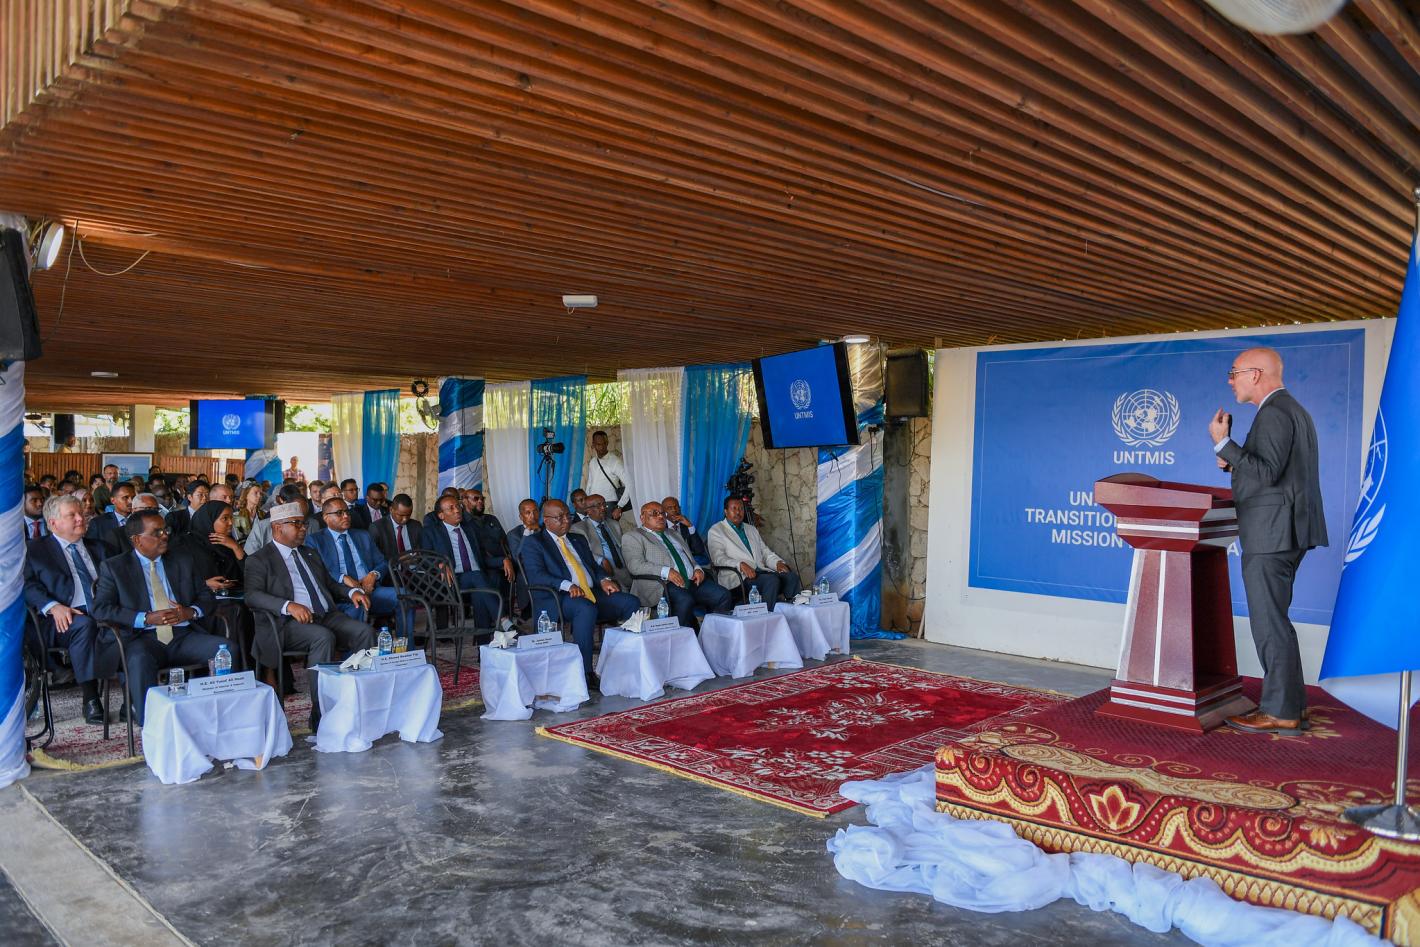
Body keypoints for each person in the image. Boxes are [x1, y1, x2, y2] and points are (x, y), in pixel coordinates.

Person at [1210, 346, 1328, 736]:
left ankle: (1280, 711)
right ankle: (1289, 704)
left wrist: (1222, 443)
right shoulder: (1289, 410)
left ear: (1256, 374)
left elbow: (1265, 473)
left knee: (1268, 622)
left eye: (1234, 372)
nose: (1230, 380)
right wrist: (1233, 460)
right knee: (1274, 620)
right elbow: (1271, 471)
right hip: (1283, 529)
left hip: (1272, 533)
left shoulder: (1275, 412)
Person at [90, 510, 233, 726]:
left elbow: (206, 598)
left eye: (165, 530)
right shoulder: (115, 567)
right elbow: (100, 609)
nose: (164, 535)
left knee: (227, 650)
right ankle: (151, 725)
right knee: (139, 661)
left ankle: (223, 718)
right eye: (156, 532)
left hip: (183, 635)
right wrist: (145, 618)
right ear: (137, 540)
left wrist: (191, 611)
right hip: (140, 638)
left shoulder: (182, 560)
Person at [244, 502, 375, 730]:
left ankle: (357, 700)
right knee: (322, 637)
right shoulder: (259, 559)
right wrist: (288, 606)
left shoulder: (310, 553)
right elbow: (252, 596)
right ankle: (321, 713)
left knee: (365, 633)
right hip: (285, 624)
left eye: (303, 523)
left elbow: (330, 585)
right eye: (296, 524)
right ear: (277, 528)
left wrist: (352, 591)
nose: (303, 528)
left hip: (324, 615)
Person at [521, 499, 639, 680]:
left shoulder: (578, 539)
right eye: (559, 517)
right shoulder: (534, 543)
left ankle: (625, 661)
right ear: (546, 520)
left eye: (567, 515)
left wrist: (603, 579)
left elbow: (593, 566)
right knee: (585, 608)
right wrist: (568, 585)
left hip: (590, 592)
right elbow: (536, 576)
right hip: (557, 597)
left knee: (631, 602)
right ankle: (585, 672)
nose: (567, 521)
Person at [24, 496, 111, 724]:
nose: (81, 518)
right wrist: (52, 606)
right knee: (83, 625)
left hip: (103, 610)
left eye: (80, 513)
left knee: (131, 621)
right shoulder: (35, 550)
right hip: (59, 618)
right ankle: (91, 698)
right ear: (53, 523)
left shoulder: (100, 548)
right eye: (72, 515)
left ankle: (134, 697)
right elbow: (26, 584)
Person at [621, 501, 732, 629]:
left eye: (662, 513)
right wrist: (666, 571)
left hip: (691, 581)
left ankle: (713, 635)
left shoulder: (674, 534)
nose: (661, 516)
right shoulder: (633, 536)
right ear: (642, 517)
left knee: (723, 595)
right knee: (685, 600)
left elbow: (689, 558)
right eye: (654, 514)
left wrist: (697, 569)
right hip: (662, 584)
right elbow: (635, 566)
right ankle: (676, 639)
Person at [306, 498, 402, 633]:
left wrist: (373, 574)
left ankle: (405, 648)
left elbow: (382, 562)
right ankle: (354, 651)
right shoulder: (315, 540)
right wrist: (343, 577)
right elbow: (316, 569)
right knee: (358, 605)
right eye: (339, 513)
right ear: (326, 517)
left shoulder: (362, 535)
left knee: (403, 596)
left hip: (369, 589)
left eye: (347, 512)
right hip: (338, 593)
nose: (346, 516)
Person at [417, 494, 500, 629]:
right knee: (477, 577)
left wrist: (503, 561)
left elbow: (481, 557)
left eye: (457, 506)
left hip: (475, 579)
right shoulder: (431, 532)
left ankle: (482, 644)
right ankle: (503, 620)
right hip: (450, 582)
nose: (457, 510)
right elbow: (423, 559)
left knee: (479, 588)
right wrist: (439, 563)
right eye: (451, 508)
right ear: (441, 515)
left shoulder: (470, 529)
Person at [708, 496, 801, 609]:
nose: (738, 512)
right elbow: (718, 558)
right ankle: (766, 619)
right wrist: (739, 565)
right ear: (726, 511)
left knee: (791, 577)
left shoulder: (751, 529)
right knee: (771, 581)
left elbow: (765, 552)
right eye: (734, 508)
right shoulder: (717, 530)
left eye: (741, 508)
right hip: (738, 578)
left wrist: (777, 563)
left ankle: (791, 612)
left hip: (760, 573)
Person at [170, 501, 245, 593]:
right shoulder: (185, 545)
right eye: (225, 518)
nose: (230, 523)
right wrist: (204, 584)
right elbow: (176, 579)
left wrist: (236, 547)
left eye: (231, 518)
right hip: (202, 600)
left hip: (234, 596)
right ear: (209, 520)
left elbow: (250, 573)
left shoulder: (229, 543)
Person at [572, 494, 632, 591]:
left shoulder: (614, 524)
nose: (603, 508)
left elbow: (624, 547)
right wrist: (600, 560)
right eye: (598, 506)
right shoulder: (579, 528)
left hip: (625, 568)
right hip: (604, 571)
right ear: (588, 510)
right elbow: (581, 552)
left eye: (604, 504)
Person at [244, 483, 320, 554]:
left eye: (304, 520)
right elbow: (250, 558)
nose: (303, 527)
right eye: (296, 521)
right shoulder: (262, 528)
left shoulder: (313, 524)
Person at [584, 430, 631, 512]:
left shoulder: (615, 462)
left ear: (607, 443)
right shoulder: (593, 462)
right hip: (593, 505)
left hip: (609, 505)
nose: (601, 447)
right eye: (598, 444)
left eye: (604, 443)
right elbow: (590, 483)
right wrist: (587, 503)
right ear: (593, 444)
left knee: (611, 525)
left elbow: (629, 483)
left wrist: (620, 506)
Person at [86, 482, 135, 558]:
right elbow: (91, 551)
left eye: (133, 497)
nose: (131, 501)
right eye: (125, 497)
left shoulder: (140, 521)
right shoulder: (98, 523)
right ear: (113, 500)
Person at [372, 493, 423, 565]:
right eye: (401, 515)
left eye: (408, 515)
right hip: (391, 571)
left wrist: (417, 557)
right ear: (391, 510)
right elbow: (375, 557)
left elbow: (422, 550)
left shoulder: (416, 525)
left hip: (416, 570)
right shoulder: (377, 528)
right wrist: (398, 560)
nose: (405, 519)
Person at [661, 496, 708, 562]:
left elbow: (699, 550)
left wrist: (690, 526)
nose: (674, 510)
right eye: (670, 508)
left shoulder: (686, 526)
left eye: (676, 507)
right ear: (663, 512)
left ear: (680, 509)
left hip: (689, 563)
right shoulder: (660, 528)